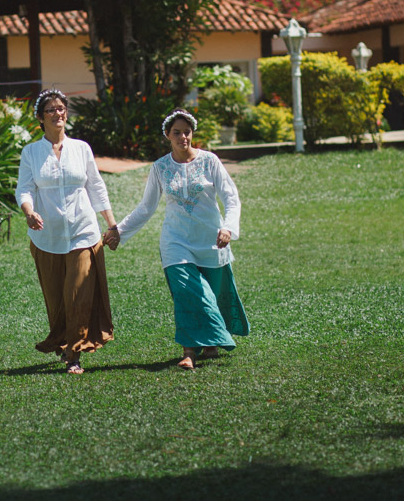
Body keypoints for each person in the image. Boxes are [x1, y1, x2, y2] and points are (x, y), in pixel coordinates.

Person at [103, 109, 248, 370]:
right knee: (187, 292)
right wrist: (119, 231)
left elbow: (230, 197)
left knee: (212, 294)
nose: (183, 137)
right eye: (177, 133)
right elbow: (146, 208)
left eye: (187, 132)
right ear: (168, 136)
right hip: (175, 241)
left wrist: (228, 227)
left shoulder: (210, 161)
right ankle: (189, 351)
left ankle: (211, 345)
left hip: (212, 239)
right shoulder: (160, 167)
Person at [16, 89, 118, 374]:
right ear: (40, 118)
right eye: (51, 110)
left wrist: (111, 224)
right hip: (46, 237)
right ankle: (63, 343)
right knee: (56, 298)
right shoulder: (31, 152)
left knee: (77, 294)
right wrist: (29, 211)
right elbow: (24, 188)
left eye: (61, 108)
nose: (58, 113)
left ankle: (74, 353)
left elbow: (96, 186)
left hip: (83, 232)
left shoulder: (82, 148)